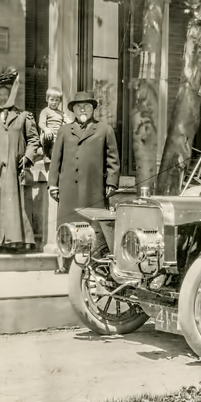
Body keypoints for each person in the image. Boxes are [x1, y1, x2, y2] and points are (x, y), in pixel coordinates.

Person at [48, 91, 120, 274]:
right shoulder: (64, 131)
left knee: (93, 227)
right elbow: (56, 159)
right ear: (73, 110)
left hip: (93, 188)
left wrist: (111, 183)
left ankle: (93, 265)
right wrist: (53, 184)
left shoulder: (104, 130)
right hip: (68, 189)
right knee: (67, 225)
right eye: (79, 106)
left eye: (86, 106)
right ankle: (65, 263)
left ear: (93, 109)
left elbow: (113, 160)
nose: (82, 109)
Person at [0, 67, 42, 251]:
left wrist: (28, 157)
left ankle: (15, 241)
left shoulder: (24, 116)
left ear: (11, 95)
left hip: (15, 170)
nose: (1, 98)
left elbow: (33, 140)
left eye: (5, 94)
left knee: (15, 205)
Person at [38, 87, 70, 159]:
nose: (54, 102)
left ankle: (53, 157)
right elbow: (41, 123)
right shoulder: (45, 111)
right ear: (47, 99)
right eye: (52, 100)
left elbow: (69, 122)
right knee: (50, 139)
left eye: (57, 100)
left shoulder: (62, 113)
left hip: (57, 137)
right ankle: (46, 154)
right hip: (48, 136)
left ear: (60, 101)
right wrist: (46, 129)